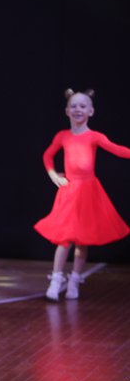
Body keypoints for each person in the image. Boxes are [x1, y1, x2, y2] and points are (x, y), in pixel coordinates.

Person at [36, 88, 130, 300]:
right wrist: (53, 175)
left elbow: (117, 149)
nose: (78, 109)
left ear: (91, 111)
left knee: (82, 240)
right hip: (70, 191)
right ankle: (55, 280)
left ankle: (74, 280)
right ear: (67, 111)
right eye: (74, 106)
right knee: (64, 238)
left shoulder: (94, 136)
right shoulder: (62, 136)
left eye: (82, 106)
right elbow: (47, 155)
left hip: (88, 192)